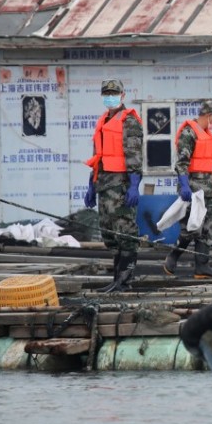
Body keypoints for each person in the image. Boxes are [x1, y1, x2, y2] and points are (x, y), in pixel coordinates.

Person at [84, 79, 143, 293]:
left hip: (122, 185)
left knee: (126, 232)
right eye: (106, 93)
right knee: (110, 234)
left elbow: (134, 155)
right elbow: (97, 156)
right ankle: (116, 280)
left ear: (122, 95)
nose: (110, 96)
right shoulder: (103, 121)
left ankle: (124, 282)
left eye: (114, 93)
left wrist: (134, 184)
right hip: (104, 184)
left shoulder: (129, 121)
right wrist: (91, 185)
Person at [162, 99, 212, 278]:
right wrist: (184, 186)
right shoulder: (189, 133)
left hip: (208, 189)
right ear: (209, 115)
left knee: (209, 226)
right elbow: (181, 163)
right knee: (191, 229)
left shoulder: (208, 136)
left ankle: (202, 266)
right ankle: (172, 257)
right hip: (193, 188)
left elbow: (210, 164)